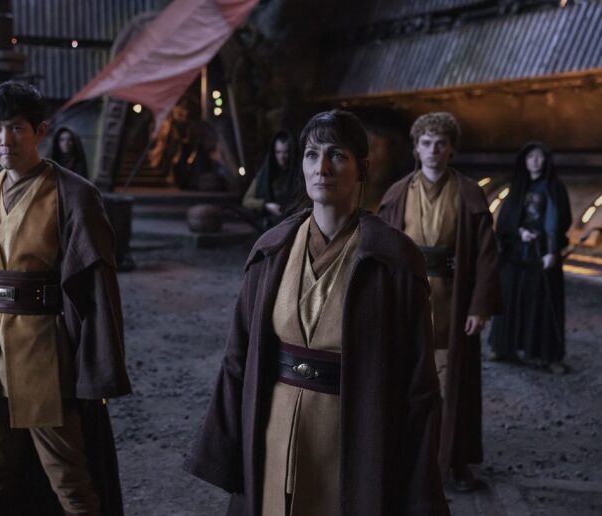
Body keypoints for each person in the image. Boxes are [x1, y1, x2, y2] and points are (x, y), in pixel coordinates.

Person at [187, 109, 449, 515]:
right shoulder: (272, 251)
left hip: (351, 432)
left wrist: (418, 488)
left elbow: (418, 385)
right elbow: (238, 359)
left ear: (362, 167)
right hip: (273, 427)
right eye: (312, 154)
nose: (322, 168)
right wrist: (224, 450)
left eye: (337, 155)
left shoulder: (393, 260)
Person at [0, 81, 131, 516]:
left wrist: (96, 369)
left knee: (69, 476)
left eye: (17, 127)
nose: (5, 139)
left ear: (40, 131)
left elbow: (96, 289)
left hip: (43, 353)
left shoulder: (74, 194)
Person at [379, 112, 500, 492]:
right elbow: (380, 251)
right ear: (416, 148)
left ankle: (455, 462)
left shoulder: (468, 193)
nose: (433, 150)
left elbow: (487, 253)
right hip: (408, 301)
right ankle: (408, 462)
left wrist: (479, 306)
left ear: (451, 150)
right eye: (427, 143)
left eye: (441, 143)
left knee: (452, 384)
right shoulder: (397, 193)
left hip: (453, 301)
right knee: (409, 381)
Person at [489, 142, 571, 373]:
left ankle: (549, 356)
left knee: (544, 304)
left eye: (539, 156)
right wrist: (518, 232)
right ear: (524, 161)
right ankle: (503, 348)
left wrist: (551, 251)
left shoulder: (555, 188)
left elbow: (559, 221)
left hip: (543, 254)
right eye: (530, 157)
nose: (535, 161)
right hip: (516, 254)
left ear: (546, 160)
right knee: (510, 300)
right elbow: (505, 220)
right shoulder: (518, 187)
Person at [241, 130, 298, 230]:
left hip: (292, 223)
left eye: (286, 152)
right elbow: (247, 200)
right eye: (278, 152)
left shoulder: (298, 174)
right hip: (268, 225)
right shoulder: (265, 174)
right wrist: (266, 205)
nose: (282, 157)